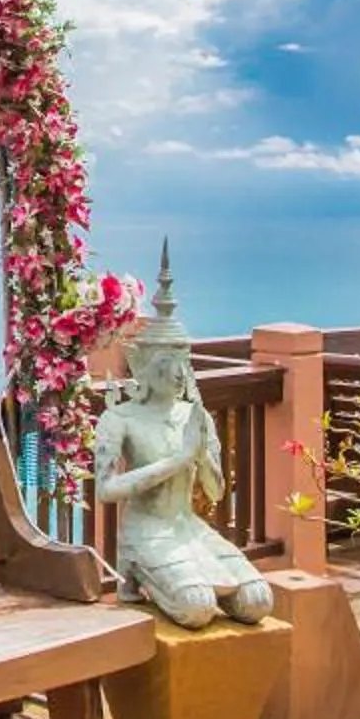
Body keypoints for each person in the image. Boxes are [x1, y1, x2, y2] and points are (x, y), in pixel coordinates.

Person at [92, 246, 276, 630]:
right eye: (167, 364)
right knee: (197, 606)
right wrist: (176, 460)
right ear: (142, 366)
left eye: (184, 364)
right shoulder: (120, 417)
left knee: (258, 600)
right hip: (147, 529)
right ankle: (143, 574)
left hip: (188, 527)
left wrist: (201, 458)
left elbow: (216, 492)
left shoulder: (194, 415)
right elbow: (106, 490)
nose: (178, 375)